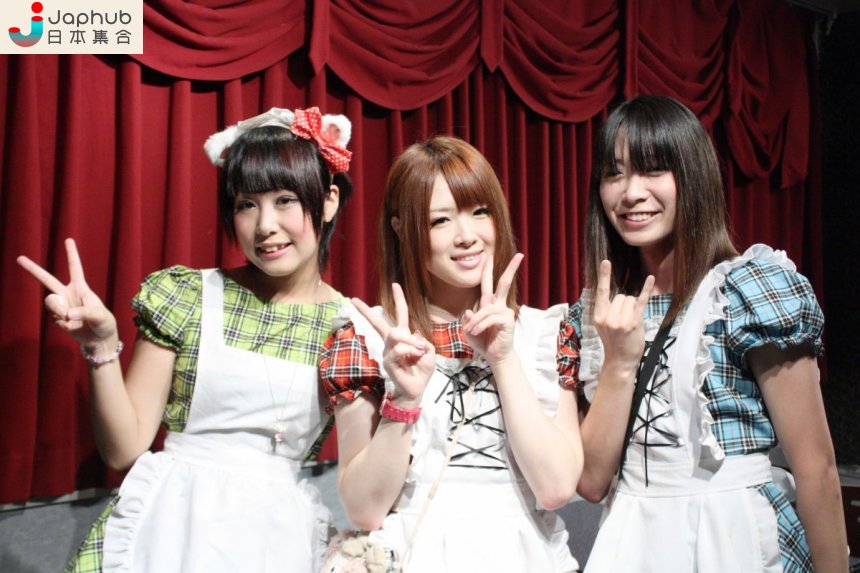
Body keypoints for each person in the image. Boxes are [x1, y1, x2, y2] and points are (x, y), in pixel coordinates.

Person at [17, 106, 354, 573]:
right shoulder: (189, 296)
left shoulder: (353, 327)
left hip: (275, 540)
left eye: (284, 200)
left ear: (329, 200)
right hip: (169, 527)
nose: (264, 226)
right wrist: (101, 347)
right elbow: (123, 448)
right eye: (246, 204)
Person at [568, 95, 847, 572]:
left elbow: (816, 468)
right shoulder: (596, 314)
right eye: (614, 173)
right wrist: (618, 361)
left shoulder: (747, 288)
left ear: (692, 175)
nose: (630, 192)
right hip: (632, 537)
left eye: (653, 169)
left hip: (734, 533)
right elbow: (592, 482)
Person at [319, 136, 583, 572]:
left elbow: (556, 488)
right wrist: (404, 400)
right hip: (414, 554)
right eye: (440, 220)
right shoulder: (367, 337)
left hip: (523, 556)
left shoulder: (544, 332)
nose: (467, 236)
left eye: (480, 212)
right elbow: (364, 510)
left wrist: (503, 359)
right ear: (402, 228)